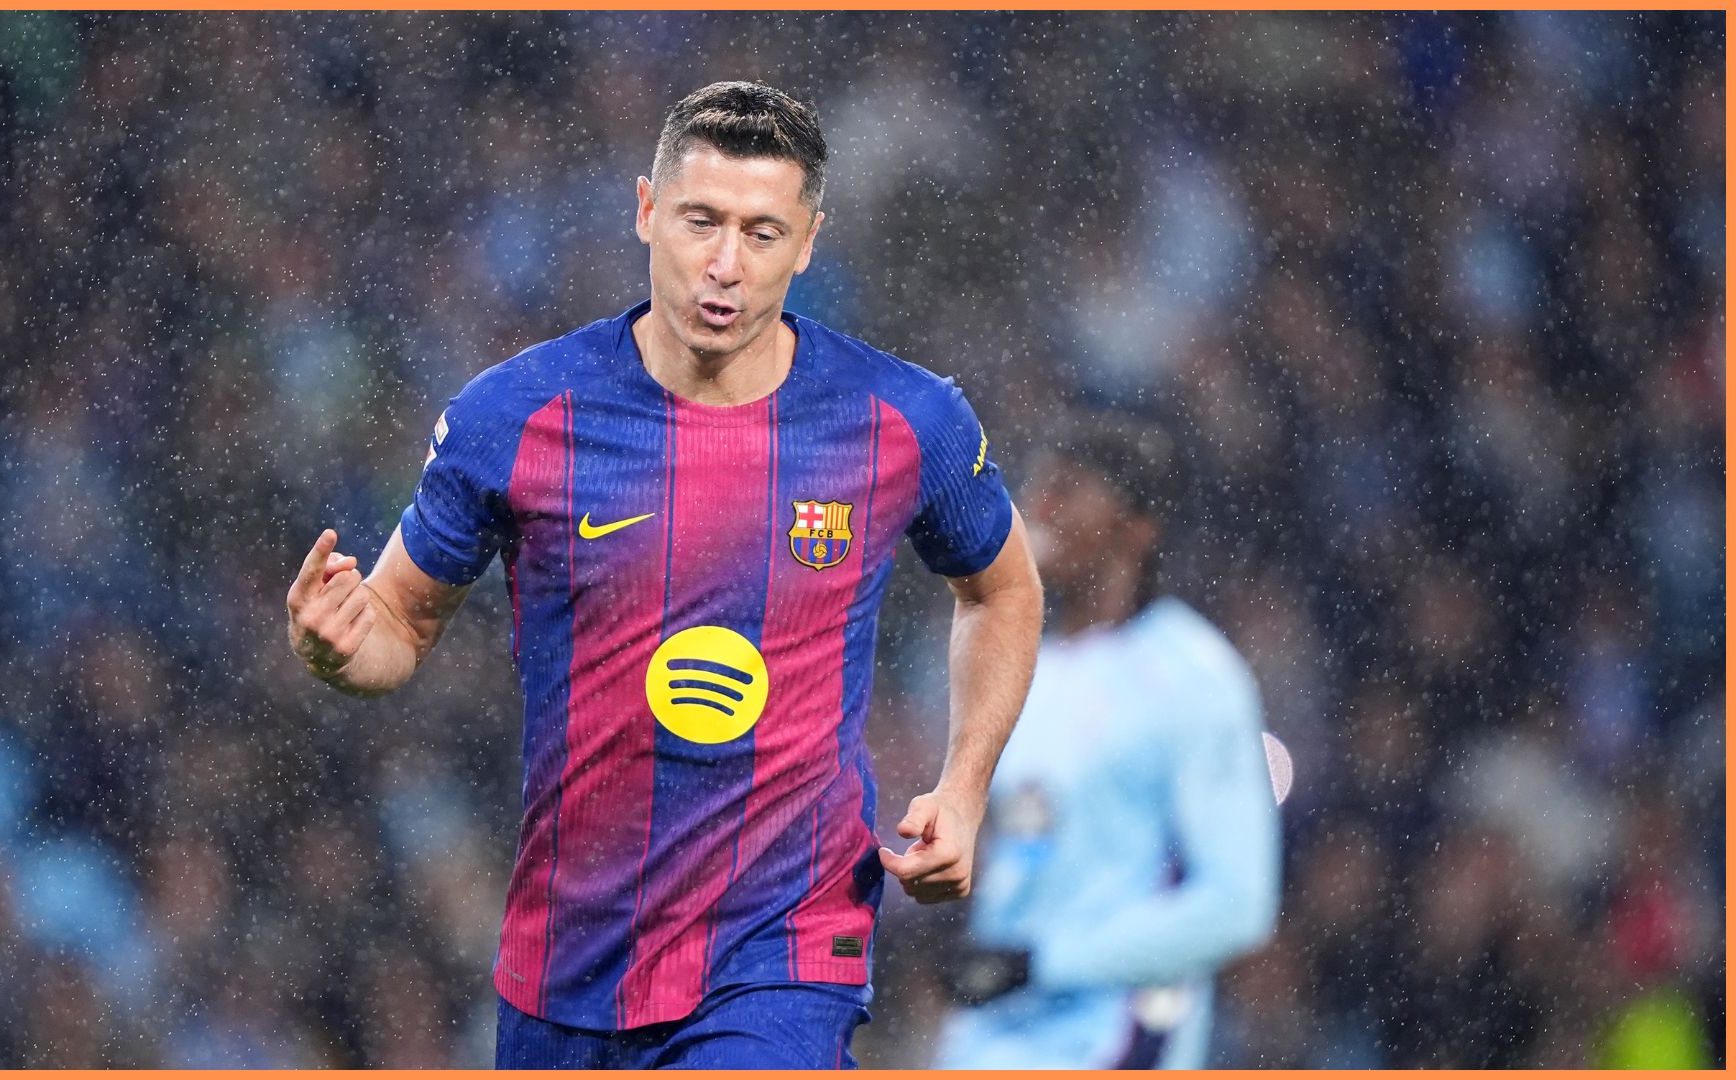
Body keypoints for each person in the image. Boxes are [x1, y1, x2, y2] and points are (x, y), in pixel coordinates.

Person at [284, 81, 1043, 1069]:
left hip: (785, 946)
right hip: (570, 956)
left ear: (810, 240)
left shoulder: (904, 421)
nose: (726, 264)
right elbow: (397, 623)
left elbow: (1002, 588)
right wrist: (336, 648)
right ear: (648, 211)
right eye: (702, 222)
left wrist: (965, 784)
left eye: (763, 233)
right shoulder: (515, 416)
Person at [934, 415, 1282, 1069]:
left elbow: (1238, 904)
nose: (1038, 507)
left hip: (1108, 1044)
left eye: (1067, 488)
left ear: (1137, 528)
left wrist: (1046, 962)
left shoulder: (1194, 677)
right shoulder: (1016, 660)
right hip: (988, 1040)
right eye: (1035, 486)